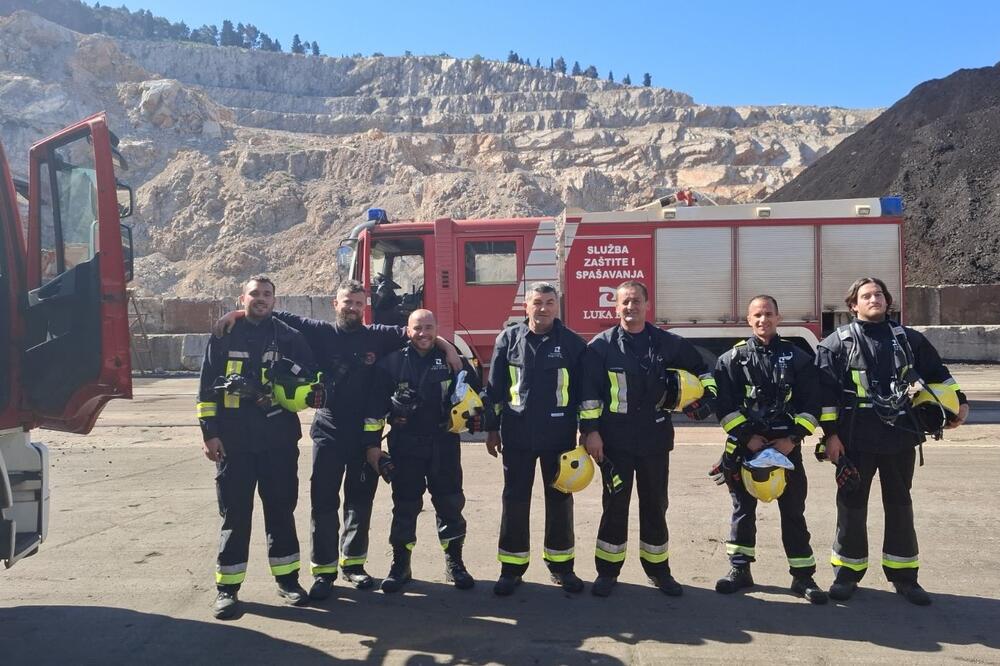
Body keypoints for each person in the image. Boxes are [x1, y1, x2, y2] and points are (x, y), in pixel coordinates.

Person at [215, 280, 461, 601]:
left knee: (359, 505)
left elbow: (420, 333)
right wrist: (236, 312)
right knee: (324, 504)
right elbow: (273, 313)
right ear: (336, 304)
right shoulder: (318, 331)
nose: (353, 308)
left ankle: (354, 565)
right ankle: (324, 571)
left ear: (365, 306)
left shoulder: (378, 335)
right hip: (328, 433)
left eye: (359, 303)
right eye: (348, 302)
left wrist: (449, 347)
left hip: (364, 437)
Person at [815, 277, 969, 606]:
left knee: (900, 506)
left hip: (901, 437)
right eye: (866, 296)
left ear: (888, 302)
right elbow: (823, 396)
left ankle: (904, 577)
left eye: (879, 295)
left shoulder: (909, 340)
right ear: (853, 305)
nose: (875, 299)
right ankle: (846, 573)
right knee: (851, 508)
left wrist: (961, 401)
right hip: (854, 441)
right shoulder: (836, 344)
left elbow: (938, 373)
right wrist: (830, 436)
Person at [580, 280, 716, 597]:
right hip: (614, 442)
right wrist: (591, 432)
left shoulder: (667, 343)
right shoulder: (601, 346)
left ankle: (659, 570)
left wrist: (708, 398)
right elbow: (589, 394)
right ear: (616, 307)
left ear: (647, 304)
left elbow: (704, 370)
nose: (631, 307)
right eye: (625, 302)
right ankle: (607, 572)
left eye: (636, 301)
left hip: (655, 439)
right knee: (615, 504)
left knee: (655, 505)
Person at [197, 277, 318, 619]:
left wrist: (291, 389)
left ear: (275, 300)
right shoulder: (223, 336)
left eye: (267, 294)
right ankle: (227, 589)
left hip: (278, 441)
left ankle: (288, 581)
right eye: (254, 294)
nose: (261, 299)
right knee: (235, 515)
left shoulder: (289, 337)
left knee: (281, 511)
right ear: (243, 298)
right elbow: (206, 389)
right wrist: (209, 433)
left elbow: (310, 382)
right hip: (234, 443)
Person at [710, 295, 827, 604]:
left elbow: (811, 404)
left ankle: (803, 577)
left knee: (793, 512)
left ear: (779, 317)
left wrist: (793, 439)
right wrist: (747, 438)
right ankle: (740, 570)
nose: (763, 320)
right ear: (749, 320)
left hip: (786, 449)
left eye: (769, 314)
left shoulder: (798, 358)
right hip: (746, 449)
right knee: (742, 511)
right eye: (757, 315)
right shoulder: (731, 360)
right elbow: (722, 406)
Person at [363, 309, 486, 593]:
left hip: (444, 444)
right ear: (408, 331)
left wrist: (479, 415)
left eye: (429, 327)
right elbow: (373, 411)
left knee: (450, 504)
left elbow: (479, 396)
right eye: (417, 328)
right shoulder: (390, 365)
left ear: (436, 329)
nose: (423, 333)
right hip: (405, 446)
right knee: (405, 506)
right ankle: (400, 565)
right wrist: (372, 446)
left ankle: (455, 564)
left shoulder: (453, 361)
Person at [485, 282, 589, 596]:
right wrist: (492, 429)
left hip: (559, 437)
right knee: (515, 501)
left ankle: (561, 567)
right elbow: (495, 389)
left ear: (557, 306)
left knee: (559, 500)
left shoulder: (573, 344)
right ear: (525, 306)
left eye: (549, 302)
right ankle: (511, 569)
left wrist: (587, 430)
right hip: (516, 434)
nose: (543, 308)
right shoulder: (509, 339)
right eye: (537, 302)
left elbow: (585, 394)